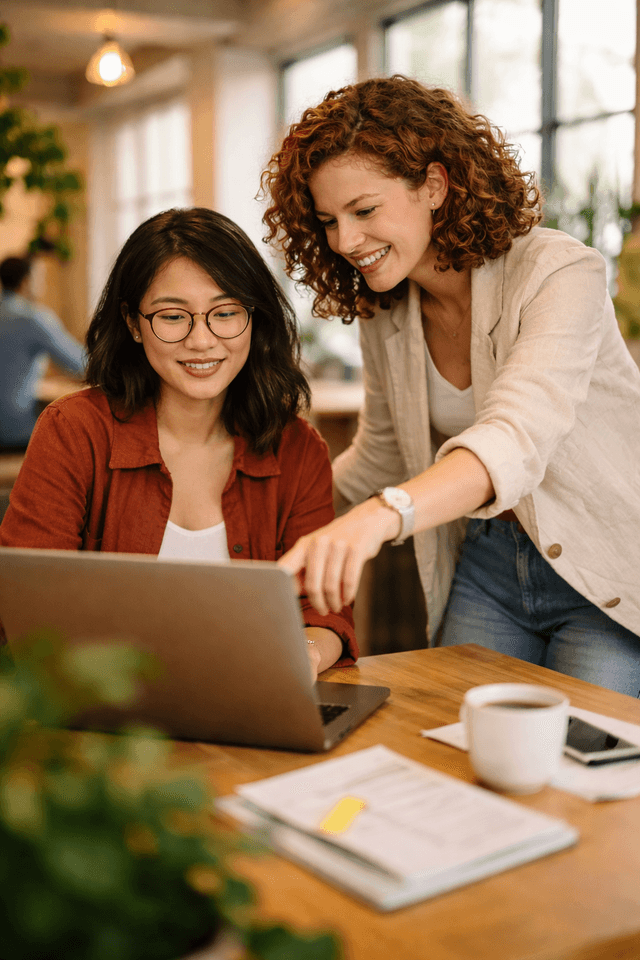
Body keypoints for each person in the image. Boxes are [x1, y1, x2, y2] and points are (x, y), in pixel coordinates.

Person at [260, 75, 640, 695]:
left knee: (580, 763)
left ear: (433, 186)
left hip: (605, 568)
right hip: (490, 558)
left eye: (364, 210)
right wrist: (273, 519)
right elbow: (381, 453)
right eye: (329, 220)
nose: (344, 241)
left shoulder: (559, 272)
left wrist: (382, 517)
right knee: (449, 747)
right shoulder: (388, 313)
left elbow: (514, 438)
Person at [0, 208, 357, 678]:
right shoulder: (73, 431)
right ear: (133, 323)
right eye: (173, 316)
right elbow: (29, 608)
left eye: (225, 313)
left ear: (254, 317)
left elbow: (324, 612)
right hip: (102, 718)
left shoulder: (298, 449)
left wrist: (304, 655)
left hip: (250, 706)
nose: (201, 340)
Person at [0, 254, 85, 450]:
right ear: (26, 281)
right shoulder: (34, 318)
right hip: (15, 431)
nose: (43, 284)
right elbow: (81, 364)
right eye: (40, 278)